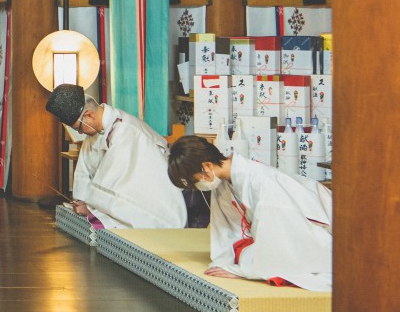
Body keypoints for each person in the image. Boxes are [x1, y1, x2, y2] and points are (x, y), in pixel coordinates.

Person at [167, 134, 334, 291]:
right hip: (280, 232)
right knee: (242, 254)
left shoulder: (262, 181)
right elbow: (227, 233)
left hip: (318, 231)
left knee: (265, 260)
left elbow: (281, 236)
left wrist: (242, 270)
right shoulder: (223, 182)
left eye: (194, 182)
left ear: (207, 167)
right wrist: (230, 260)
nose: (196, 188)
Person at [46, 85, 188, 230]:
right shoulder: (95, 131)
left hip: (156, 199)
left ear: (89, 115)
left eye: (78, 128)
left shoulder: (126, 131)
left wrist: (90, 207)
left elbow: (119, 181)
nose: (80, 133)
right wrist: (82, 201)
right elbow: (85, 172)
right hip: (122, 199)